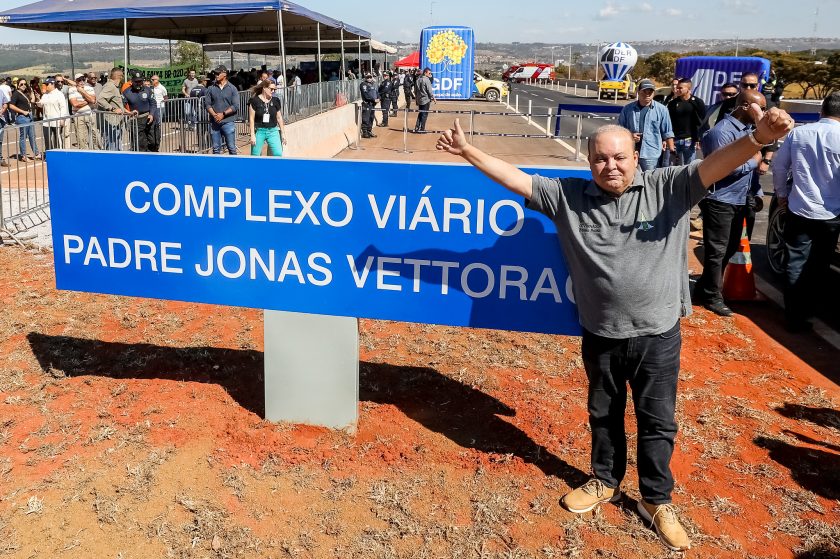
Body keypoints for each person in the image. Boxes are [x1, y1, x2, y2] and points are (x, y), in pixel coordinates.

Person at [435, 103, 794, 552]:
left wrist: (757, 139)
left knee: (657, 421)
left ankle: (656, 500)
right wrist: (469, 150)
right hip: (600, 333)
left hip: (657, 335)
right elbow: (516, 178)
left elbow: (715, 164)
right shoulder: (567, 197)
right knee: (603, 413)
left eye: (620, 157)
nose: (611, 166)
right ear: (589, 162)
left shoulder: (670, 186)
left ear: (637, 154)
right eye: (601, 159)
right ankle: (604, 480)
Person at [693, 89, 767, 316]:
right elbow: (723, 168)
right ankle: (713, 297)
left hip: (739, 200)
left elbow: (749, 174)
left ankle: (703, 289)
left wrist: (757, 192)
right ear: (745, 106)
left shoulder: (748, 131)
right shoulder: (721, 133)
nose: (762, 112)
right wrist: (753, 161)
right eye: (760, 108)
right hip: (720, 200)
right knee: (716, 251)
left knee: (730, 248)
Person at [772, 92, 840, 333]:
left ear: (821, 111)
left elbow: (779, 166)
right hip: (832, 214)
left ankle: (793, 316)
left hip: (799, 208)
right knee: (820, 266)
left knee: (795, 262)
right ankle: (809, 312)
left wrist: (781, 194)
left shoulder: (800, 133)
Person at [618, 79, 674, 171]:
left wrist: (672, 151)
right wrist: (630, 136)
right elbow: (620, 129)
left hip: (651, 153)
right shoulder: (627, 109)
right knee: (630, 177)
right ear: (638, 92)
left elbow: (667, 132)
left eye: (650, 91)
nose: (647, 94)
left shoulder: (662, 110)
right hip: (630, 151)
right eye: (644, 91)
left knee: (648, 180)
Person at [666, 78, 706, 165]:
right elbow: (668, 122)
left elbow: (702, 121)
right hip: (674, 140)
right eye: (677, 87)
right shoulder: (672, 103)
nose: (677, 89)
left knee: (690, 166)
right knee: (672, 166)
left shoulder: (697, 102)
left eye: (681, 88)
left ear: (688, 89)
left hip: (689, 141)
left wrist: (699, 139)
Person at [205, 65, 240, 155]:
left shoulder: (232, 88)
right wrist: (215, 115)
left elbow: (235, 105)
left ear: (224, 74)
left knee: (231, 148)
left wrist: (223, 114)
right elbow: (207, 104)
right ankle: (216, 168)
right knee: (216, 149)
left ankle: (233, 167)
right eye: (215, 73)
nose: (216, 75)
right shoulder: (211, 88)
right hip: (214, 122)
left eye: (218, 73)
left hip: (228, 122)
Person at [122, 71, 161, 152]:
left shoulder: (148, 90)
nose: (139, 83)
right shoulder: (126, 92)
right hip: (136, 121)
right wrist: (129, 112)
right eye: (136, 81)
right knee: (140, 145)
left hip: (149, 118)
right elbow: (121, 106)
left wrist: (151, 114)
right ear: (132, 81)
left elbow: (153, 103)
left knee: (154, 142)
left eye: (140, 81)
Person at [248, 80, 287, 157]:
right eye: (271, 89)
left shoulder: (276, 100)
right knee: (255, 155)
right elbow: (251, 119)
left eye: (274, 89)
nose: (273, 91)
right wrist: (252, 135)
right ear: (264, 88)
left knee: (278, 153)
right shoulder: (254, 101)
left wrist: (283, 134)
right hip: (259, 131)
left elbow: (279, 118)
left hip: (273, 131)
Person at [7, 79, 41, 161]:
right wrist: (22, 111)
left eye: (25, 84)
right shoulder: (16, 94)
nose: (23, 85)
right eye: (21, 84)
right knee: (23, 137)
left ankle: (37, 154)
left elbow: (32, 101)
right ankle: (23, 156)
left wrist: (33, 92)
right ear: (18, 85)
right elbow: (11, 106)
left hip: (29, 116)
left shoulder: (26, 93)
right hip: (22, 117)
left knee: (32, 136)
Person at [36, 77, 69, 158]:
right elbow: (41, 104)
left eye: (47, 84)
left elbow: (63, 107)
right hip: (46, 121)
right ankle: (50, 156)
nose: (46, 86)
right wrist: (38, 99)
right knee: (47, 140)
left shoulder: (59, 94)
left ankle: (59, 155)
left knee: (57, 139)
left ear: (52, 84)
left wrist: (62, 119)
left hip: (56, 121)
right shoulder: (45, 95)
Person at [68, 73, 101, 150]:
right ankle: (84, 154)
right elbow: (75, 104)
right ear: (76, 81)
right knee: (81, 137)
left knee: (95, 134)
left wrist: (82, 91)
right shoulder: (72, 89)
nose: (81, 82)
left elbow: (93, 100)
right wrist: (88, 101)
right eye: (79, 80)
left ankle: (97, 152)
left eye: (83, 79)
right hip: (78, 116)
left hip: (90, 114)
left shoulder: (89, 88)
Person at [97, 67, 127, 151]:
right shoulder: (110, 86)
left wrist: (128, 112)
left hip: (116, 123)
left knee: (117, 147)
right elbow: (100, 99)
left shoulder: (114, 87)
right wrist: (113, 109)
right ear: (119, 76)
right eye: (122, 76)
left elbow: (117, 104)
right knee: (112, 147)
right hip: (111, 124)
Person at [413, 67, 435, 133]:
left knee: (420, 113)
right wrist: (433, 97)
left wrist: (417, 98)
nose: (430, 74)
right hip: (426, 99)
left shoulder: (418, 79)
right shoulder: (426, 80)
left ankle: (417, 127)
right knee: (424, 114)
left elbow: (415, 91)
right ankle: (422, 129)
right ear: (425, 73)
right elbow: (429, 90)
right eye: (429, 73)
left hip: (420, 99)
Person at [359, 73, 379, 139]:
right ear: (365, 77)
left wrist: (378, 98)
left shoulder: (372, 84)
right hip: (367, 104)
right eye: (368, 77)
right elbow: (366, 95)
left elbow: (376, 92)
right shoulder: (363, 84)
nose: (369, 79)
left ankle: (369, 131)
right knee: (366, 119)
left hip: (372, 104)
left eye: (370, 77)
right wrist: (374, 99)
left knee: (371, 118)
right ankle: (365, 132)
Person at [0, 81, 8, 167]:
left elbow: (5, 103)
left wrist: (2, 110)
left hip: (0, 120)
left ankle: (0, 158)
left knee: (0, 141)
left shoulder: (0, 91)